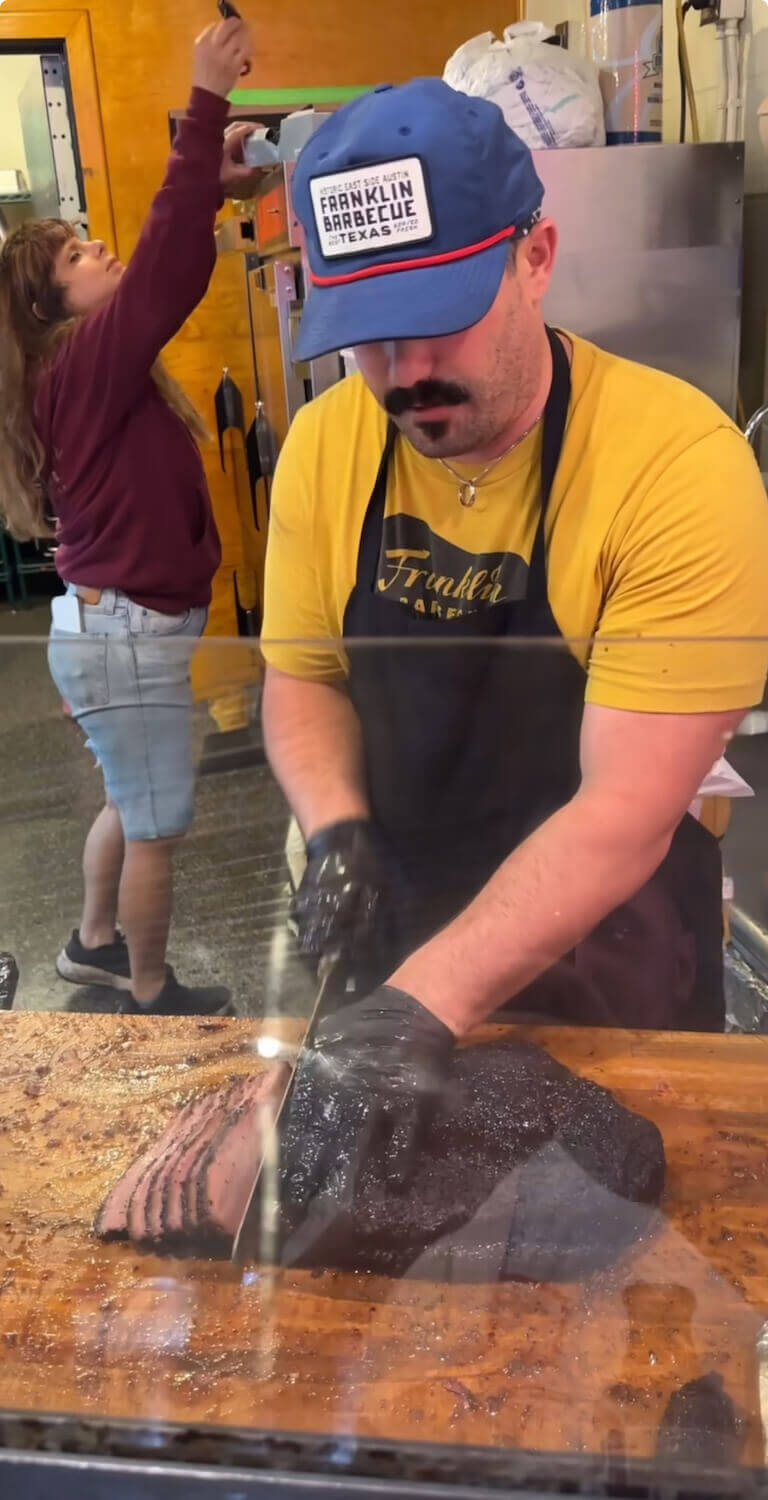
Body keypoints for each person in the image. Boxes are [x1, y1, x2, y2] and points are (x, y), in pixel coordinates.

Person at [260, 79, 768, 1205]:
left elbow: (626, 809)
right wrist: (337, 828)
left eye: (436, 317)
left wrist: (420, 1002)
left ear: (535, 257)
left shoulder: (676, 467)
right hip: (399, 919)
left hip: (607, 951)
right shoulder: (324, 446)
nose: (401, 378)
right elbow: (301, 678)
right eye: (365, 337)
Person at [0, 17, 258, 1016]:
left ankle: (94, 942)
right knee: (157, 820)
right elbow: (163, 273)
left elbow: (168, 273)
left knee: (126, 797)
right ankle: (152, 990)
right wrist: (203, 104)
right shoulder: (79, 358)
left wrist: (211, 192)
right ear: (46, 304)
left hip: (110, 626)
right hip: (124, 635)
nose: (96, 246)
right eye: (74, 251)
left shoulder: (81, 368)